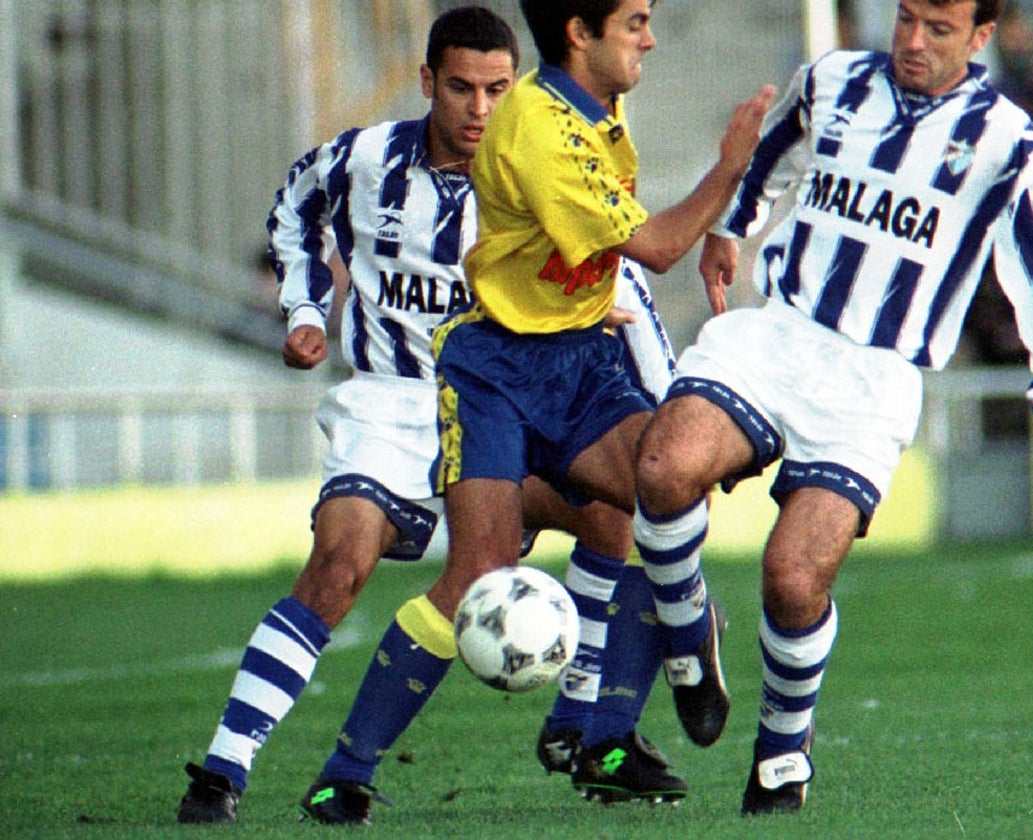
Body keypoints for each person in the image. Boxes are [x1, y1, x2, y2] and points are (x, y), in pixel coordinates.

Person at [175, 6, 681, 825]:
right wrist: (306, 310)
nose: (480, 108)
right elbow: (293, 209)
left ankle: (578, 724)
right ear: (426, 83)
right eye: (460, 88)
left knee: (609, 509)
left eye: (495, 89)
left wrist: (672, 412)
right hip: (390, 404)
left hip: (496, 405)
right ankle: (223, 772)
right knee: (339, 564)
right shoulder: (365, 159)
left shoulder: (539, 163)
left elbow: (625, 276)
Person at [632, 0, 1033, 817]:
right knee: (662, 468)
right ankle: (687, 634)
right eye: (908, 19)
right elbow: (774, 151)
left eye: (940, 29)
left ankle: (783, 747)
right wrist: (732, 228)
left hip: (873, 380)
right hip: (777, 334)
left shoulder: (1006, 143)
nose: (914, 42)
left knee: (793, 577)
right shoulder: (835, 80)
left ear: (981, 38)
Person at [342, 0, 771, 818]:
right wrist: (731, 167)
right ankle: (346, 773)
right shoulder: (540, 128)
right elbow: (656, 247)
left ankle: (606, 732)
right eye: (635, 20)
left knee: (663, 493)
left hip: (580, 363)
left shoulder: (598, 114)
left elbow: (602, 258)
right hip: (497, 371)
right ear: (579, 31)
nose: (650, 36)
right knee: (479, 570)